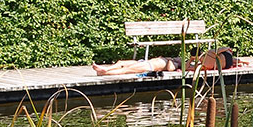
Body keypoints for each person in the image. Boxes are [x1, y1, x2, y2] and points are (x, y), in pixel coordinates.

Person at [92, 47, 244, 76]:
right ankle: (106, 69)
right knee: (123, 62)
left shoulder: (205, 61)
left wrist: (192, 59)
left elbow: (186, 69)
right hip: (158, 61)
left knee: (128, 68)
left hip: (158, 63)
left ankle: (107, 71)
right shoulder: (206, 63)